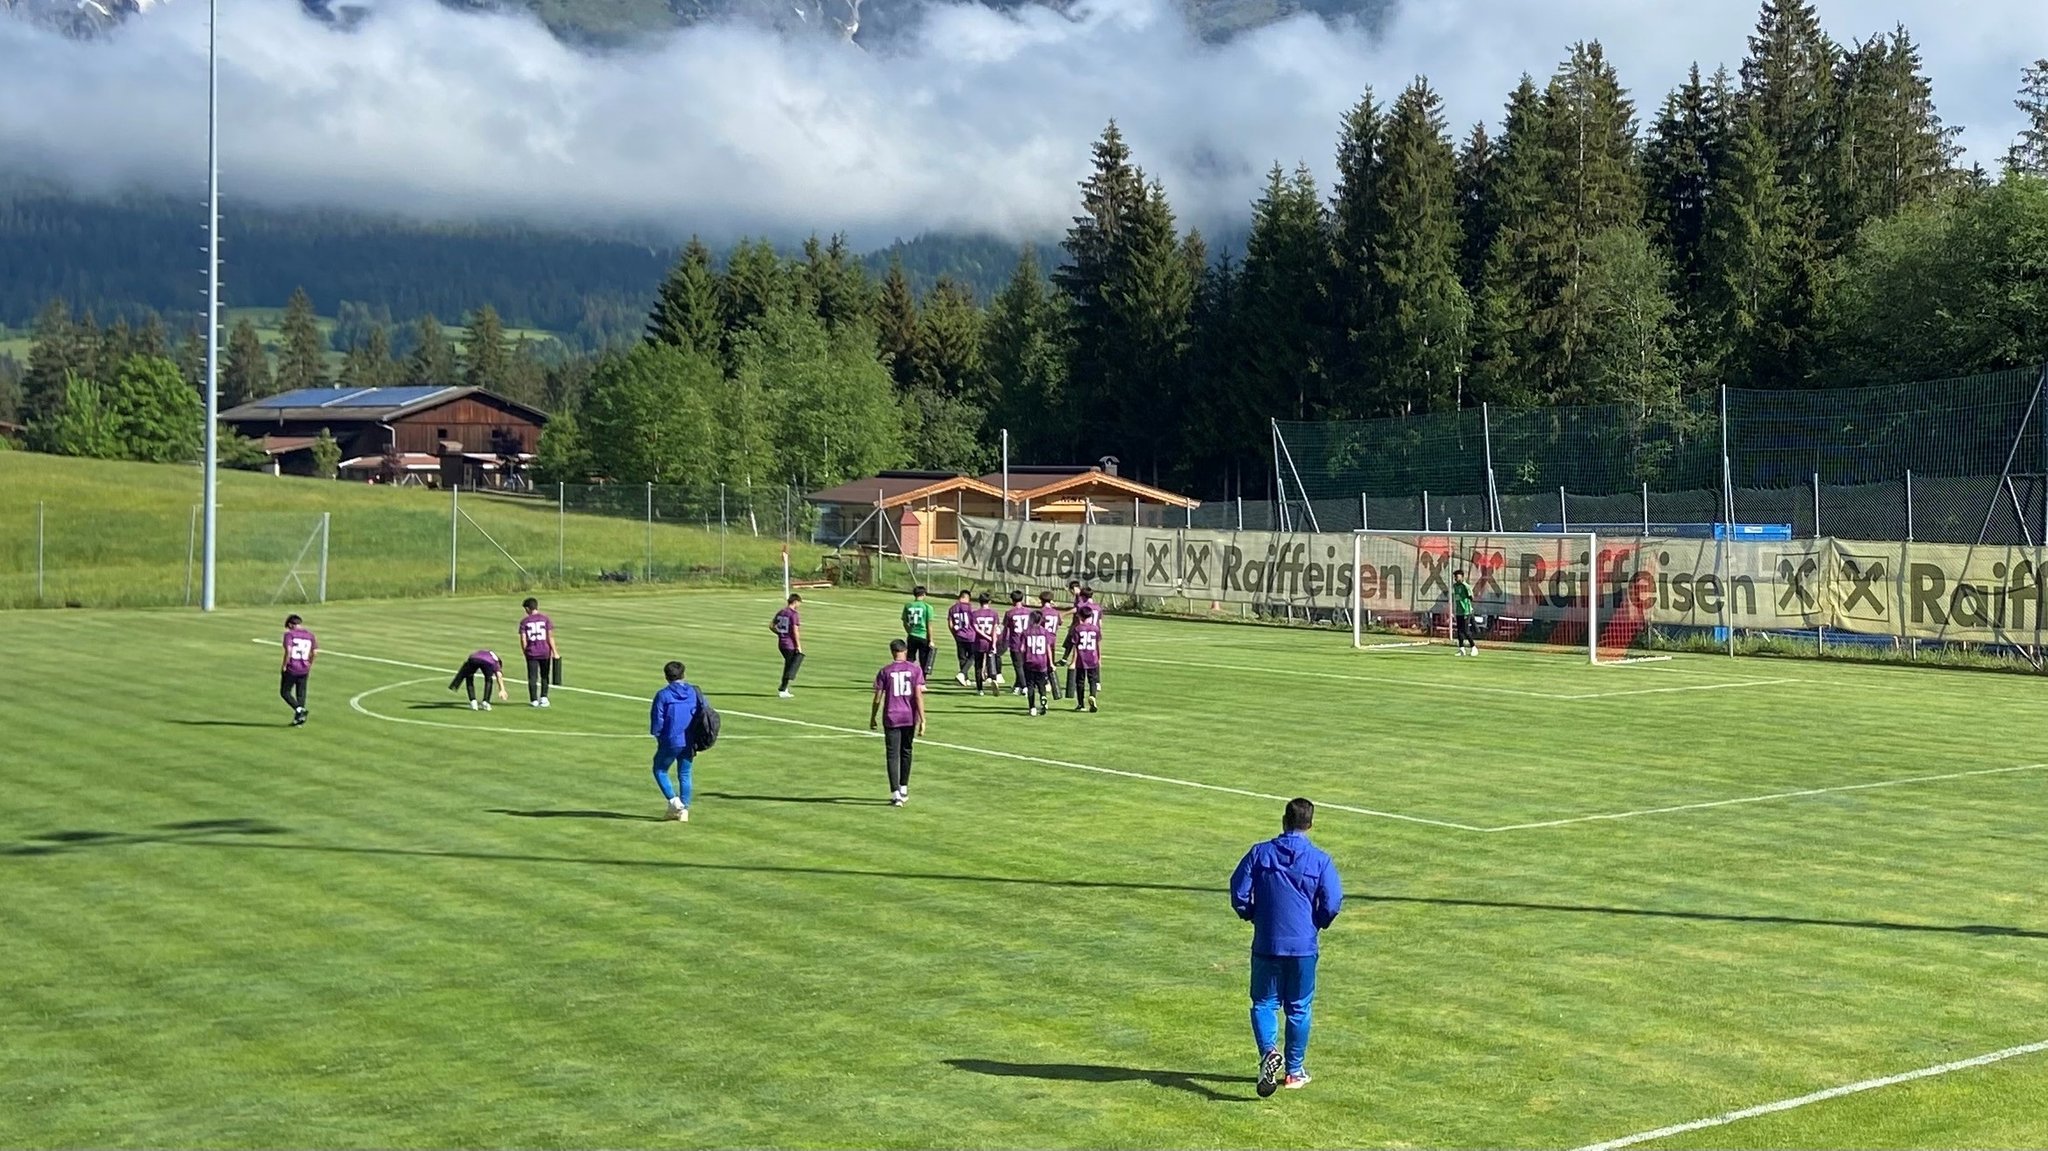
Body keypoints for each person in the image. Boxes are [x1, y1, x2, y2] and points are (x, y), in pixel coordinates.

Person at [1230, 798, 1343, 1096]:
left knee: (1264, 1003)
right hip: (1303, 947)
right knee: (1299, 1007)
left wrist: (1252, 915)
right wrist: (1315, 923)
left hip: (1267, 942)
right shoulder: (1320, 860)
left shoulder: (1259, 853)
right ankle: (1294, 1071)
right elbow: (1332, 902)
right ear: (1310, 824)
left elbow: (1238, 891)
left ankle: (1269, 1052)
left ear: (1284, 820)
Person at [868, 638, 927, 806]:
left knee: (892, 755)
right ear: (906, 651)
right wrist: (923, 719)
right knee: (906, 751)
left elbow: (878, 697)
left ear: (892, 652)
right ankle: (904, 787)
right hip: (909, 716)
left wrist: (873, 716)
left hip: (891, 716)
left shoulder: (885, 671)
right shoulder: (915, 670)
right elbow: (918, 695)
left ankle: (895, 794)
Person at [649, 660, 702, 822]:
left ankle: (674, 802)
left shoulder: (663, 695)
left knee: (659, 769)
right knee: (685, 773)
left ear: (666, 676)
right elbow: (704, 712)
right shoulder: (694, 692)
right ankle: (684, 809)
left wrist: (657, 734)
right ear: (683, 674)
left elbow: (657, 720)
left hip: (670, 740)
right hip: (689, 739)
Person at [518, 597, 557, 708]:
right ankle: (544, 697)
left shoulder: (524, 622)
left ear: (527, 608)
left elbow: (523, 639)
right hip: (545, 651)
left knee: (532, 677)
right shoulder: (545, 619)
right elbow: (550, 637)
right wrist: (555, 651)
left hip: (532, 652)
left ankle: (534, 699)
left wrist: (525, 651)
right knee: (545, 675)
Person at [279, 614, 317, 726]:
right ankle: (299, 718)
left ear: (290, 624)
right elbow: (314, 653)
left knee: (285, 692)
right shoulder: (310, 635)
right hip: (304, 668)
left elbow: (288, 651)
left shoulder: (289, 635)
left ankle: (299, 710)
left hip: (292, 667)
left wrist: (284, 665)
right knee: (301, 693)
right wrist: (309, 663)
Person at [1064, 603, 1103, 712]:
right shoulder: (1095, 629)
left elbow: (1075, 646)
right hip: (1093, 657)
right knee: (1093, 680)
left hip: (1081, 658)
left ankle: (1081, 704)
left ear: (1080, 616)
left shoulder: (1077, 629)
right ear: (1091, 616)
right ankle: (1092, 696)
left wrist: (1072, 661)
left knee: (1080, 681)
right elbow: (1098, 644)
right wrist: (1099, 658)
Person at [1020, 609, 1057, 716]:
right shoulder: (1045, 632)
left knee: (1030, 685)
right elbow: (1048, 649)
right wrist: (1051, 663)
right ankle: (1043, 699)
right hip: (1042, 662)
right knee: (1041, 684)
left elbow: (1022, 649)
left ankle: (1032, 707)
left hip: (1030, 661)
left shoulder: (1026, 632)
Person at [969, 591, 1002, 694]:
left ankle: (980, 689)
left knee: (978, 665)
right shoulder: (994, 613)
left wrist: (985, 636)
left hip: (979, 642)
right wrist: (993, 642)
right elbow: (994, 630)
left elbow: (976, 629)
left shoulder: (974, 614)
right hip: (990, 641)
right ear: (990, 601)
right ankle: (993, 678)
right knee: (991, 662)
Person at [771, 594, 804, 698]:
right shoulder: (793, 614)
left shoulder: (781, 612)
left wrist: (780, 633)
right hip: (789, 644)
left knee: (789, 665)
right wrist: (798, 645)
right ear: (795, 602)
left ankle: (784, 688)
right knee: (789, 666)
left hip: (781, 642)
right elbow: (795, 631)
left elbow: (771, 625)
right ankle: (783, 689)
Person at [1003, 589, 1035, 696]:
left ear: (1012, 600)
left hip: (1016, 641)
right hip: (1028, 642)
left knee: (1018, 666)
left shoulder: (1009, 613)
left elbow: (1006, 629)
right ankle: (1017, 686)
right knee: (1023, 665)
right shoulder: (1029, 612)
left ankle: (1024, 686)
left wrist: (1003, 641)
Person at [1037, 591, 1065, 701]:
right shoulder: (1055, 612)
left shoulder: (1041, 612)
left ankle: (1045, 681)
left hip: (1043, 639)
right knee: (1051, 661)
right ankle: (1049, 681)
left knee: (1042, 661)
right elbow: (1060, 622)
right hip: (1053, 638)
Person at [902, 585, 936, 677]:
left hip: (912, 635)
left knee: (910, 659)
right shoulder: (927, 607)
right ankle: (922, 681)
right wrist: (931, 640)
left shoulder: (908, 606)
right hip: (923, 636)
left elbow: (905, 622)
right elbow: (929, 625)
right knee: (923, 660)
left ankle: (908, 677)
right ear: (924, 594)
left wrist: (909, 631)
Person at [947, 589, 977, 687]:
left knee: (962, 657)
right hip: (971, 635)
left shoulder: (952, 608)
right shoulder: (970, 608)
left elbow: (950, 624)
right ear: (967, 598)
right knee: (973, 656)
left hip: (959, 635)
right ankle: (962, 673)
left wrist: (954, 634)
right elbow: (974, 622)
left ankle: (965, 678)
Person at [1451, 568, 1478, 656]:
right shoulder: (1455, 586)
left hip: (1466, 611)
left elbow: (1471, 597)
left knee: (1466, 631)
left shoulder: (1465, 586)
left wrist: (1468, 597)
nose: (1456, 578)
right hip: (1459, 611)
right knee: (1459, 631)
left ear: (1462, 577)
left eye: (1458, 576)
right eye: (1455, 577)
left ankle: (1474, 647)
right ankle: (1461, 649)